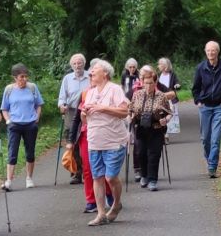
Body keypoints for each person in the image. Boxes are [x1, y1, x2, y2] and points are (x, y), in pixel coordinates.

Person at [81, 59, 131, 226]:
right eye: (92, 70)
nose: (91, 72)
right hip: (94, 141)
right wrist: (84, 113)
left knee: (110, 177)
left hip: (114, 141)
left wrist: (103, 108)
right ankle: (101, 213)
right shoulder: (90, 92)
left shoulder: (115, 89)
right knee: (97, 177)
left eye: (95, 69)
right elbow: (85, 119)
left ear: (105, 73)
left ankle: (116, 205)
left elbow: (124, 112)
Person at [190, 41, 221, 179]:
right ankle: (209, 157)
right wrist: (198, 101)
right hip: (204, 107)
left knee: (215, 139)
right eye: (208, 51)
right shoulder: (200, 68)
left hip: (219, 107)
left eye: (213, 50)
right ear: (205, 52)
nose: (211, 53)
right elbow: (196, 88)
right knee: (206, 138)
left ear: (218, 52)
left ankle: (212, 166)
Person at [0, 64, 43, 191]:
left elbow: (38, 104)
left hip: (30, 124)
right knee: (12, 152)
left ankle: (29, 178)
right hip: (15, 125)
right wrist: (8, 121)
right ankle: (9, 181)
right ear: (15, 77)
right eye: (21, 77)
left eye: (26, 76)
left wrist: (37, 118)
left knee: (30, 152)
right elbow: (4, 108)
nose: (24, 79)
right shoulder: (9, 89)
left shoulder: (32, 88)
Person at [129, 66, 173, 191]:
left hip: (156, 128)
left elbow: (169, 112)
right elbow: (130, 109)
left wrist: (166, 120)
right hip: (141, 128)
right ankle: (144, 176)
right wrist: (130, 117)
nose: (148, 86)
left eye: (151, 83)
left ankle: (153, 180)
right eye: (146, 83)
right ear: (142, 82)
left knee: (154, 154)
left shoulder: (161, 96)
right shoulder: (137, 94)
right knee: (141, 153)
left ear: (155, 83)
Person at [57, 54, 90, 185]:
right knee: (72, 141)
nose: (77, 66)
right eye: (75, 64)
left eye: (80, 63)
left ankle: (89, 169)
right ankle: (77, 172)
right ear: (72, 65)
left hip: (87, 111)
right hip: (71, 112)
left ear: (84, 63)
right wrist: (62, 106)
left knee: (86, 139)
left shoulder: (90, 77)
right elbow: (62, 97)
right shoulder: (67, 78)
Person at [156, 57, 182, 138]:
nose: (158, 66)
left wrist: (177, 85)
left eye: (160, 64)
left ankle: (167, 134)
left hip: (171, 98)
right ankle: (164, 134)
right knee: (162, 115)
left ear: (165, 66)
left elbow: (177, 83)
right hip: (161, 99)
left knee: (171, 115)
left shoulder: (172, 74)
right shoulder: (159, 75)